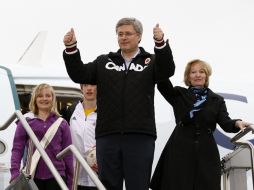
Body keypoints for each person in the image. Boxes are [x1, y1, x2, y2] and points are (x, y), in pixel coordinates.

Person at [62, 17, 175, 190]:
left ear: (139, 37)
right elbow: (80, 74)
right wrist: (71, 49)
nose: (123, 37)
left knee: (137, 185)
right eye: (120, 34)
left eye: (128, 33)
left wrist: (160, 43)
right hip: (108, 136)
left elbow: (167, 70)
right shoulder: (104, 61)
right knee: (107, 185)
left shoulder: (151, 61)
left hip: (140, 136)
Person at [150, 59, 252, 190]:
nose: (198, 75)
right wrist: (160, 53)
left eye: (201, 71)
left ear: (206, 75)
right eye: (193, 72)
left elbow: (226, 123)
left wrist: (237, 123)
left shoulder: (216, 100)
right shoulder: (179, 94)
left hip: (206, 151)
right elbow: (162, 82)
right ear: (188, 77)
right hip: (180, 148)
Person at [10, 83, 74, 190]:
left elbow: (68, 155)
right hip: (31, 175)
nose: (44, 99)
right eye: (40, 96)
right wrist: (14, 173)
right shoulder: (25, 122)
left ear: (53, 99)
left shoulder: (62, 123)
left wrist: (70, 181)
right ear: (35, 99)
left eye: (48, 95)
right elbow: (17, 149)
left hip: (57, 176)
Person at [62, 84, 98, 190]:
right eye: (85, 85)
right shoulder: (72, 110)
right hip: (75, 175)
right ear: (81, 87)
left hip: (97, 176)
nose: (89, 88)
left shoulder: (107, 112)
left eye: (93, 85)